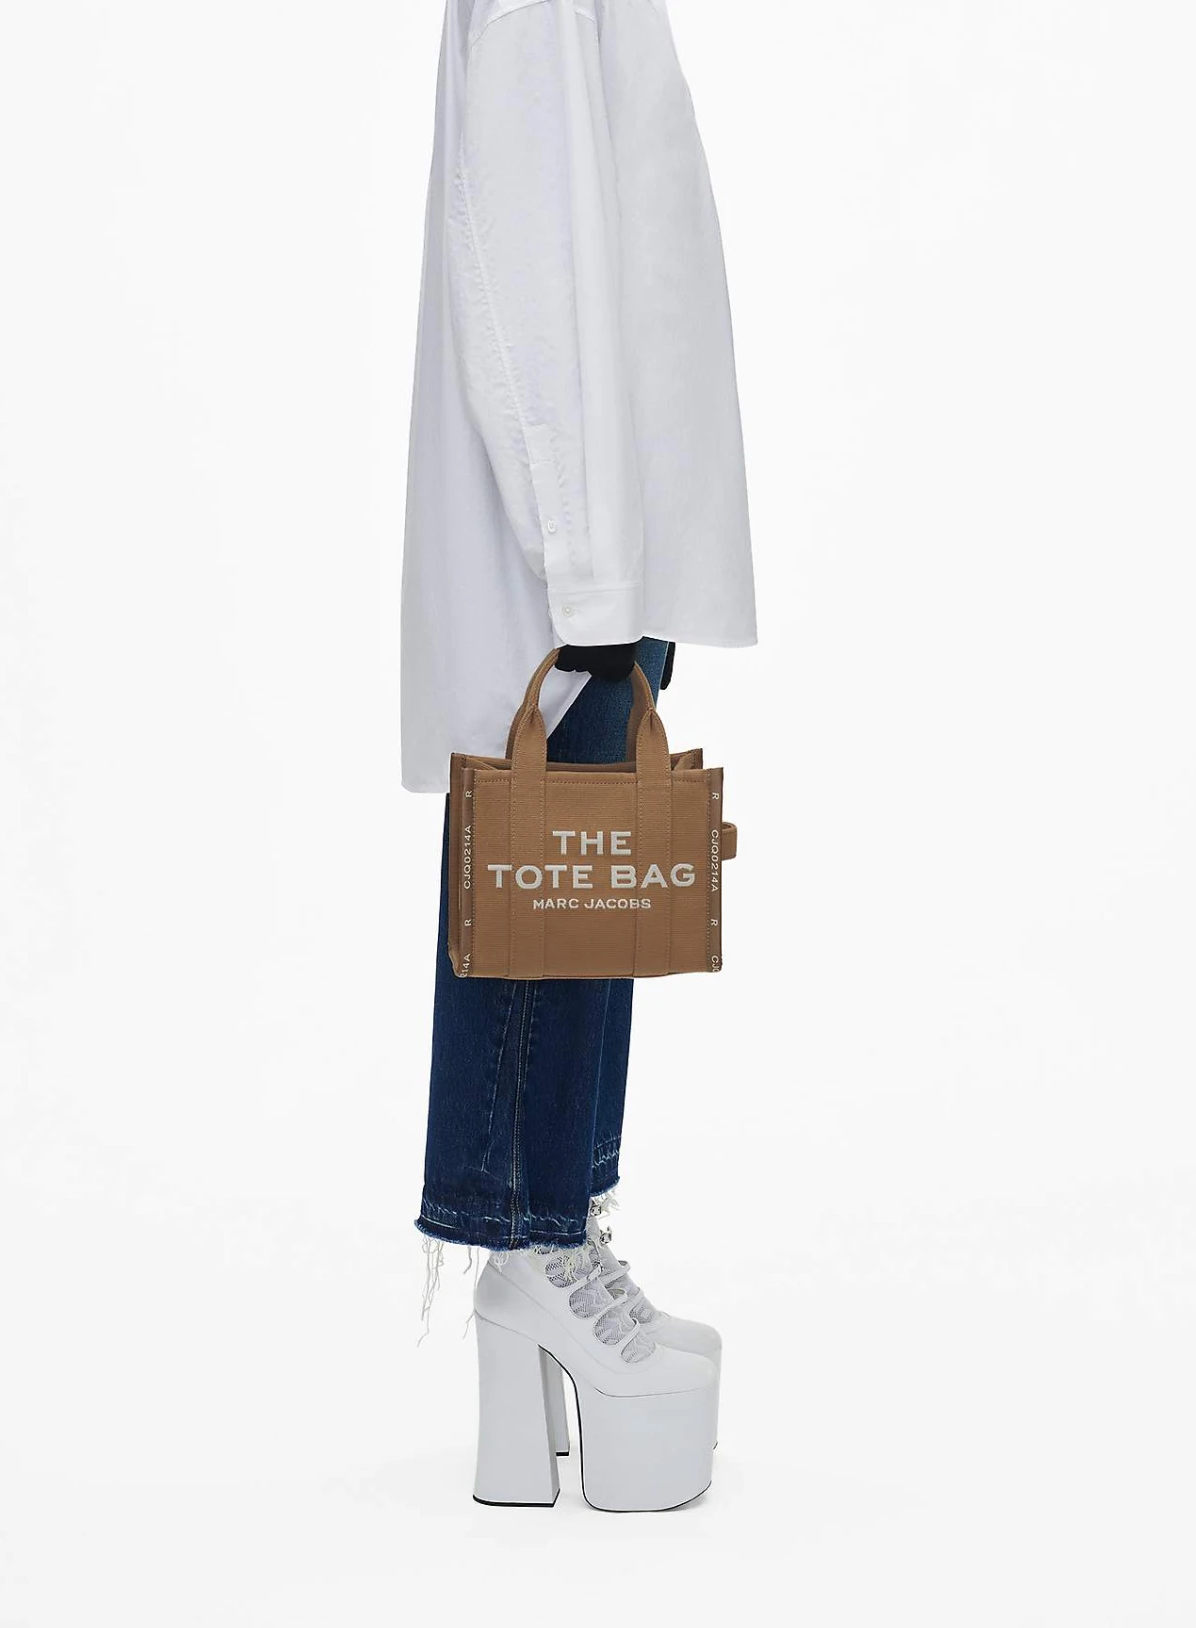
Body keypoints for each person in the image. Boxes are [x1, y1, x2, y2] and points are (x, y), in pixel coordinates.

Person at [400, 0, 756, 1511]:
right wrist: (587, 571)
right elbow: (522, 271)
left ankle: (556, 1240)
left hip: (609, 540)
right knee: (544, 886)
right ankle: (533, 1249)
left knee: (586, 901)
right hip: (577, 560)